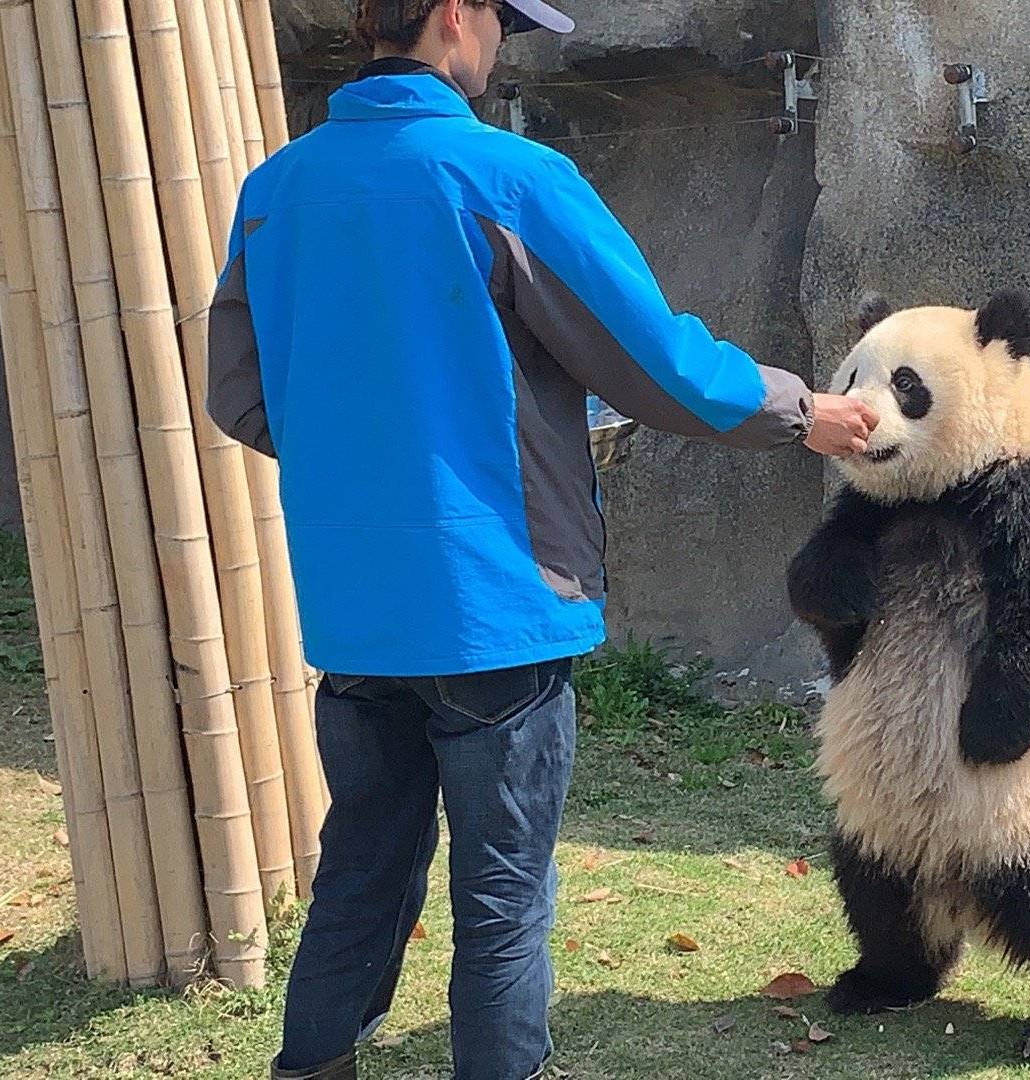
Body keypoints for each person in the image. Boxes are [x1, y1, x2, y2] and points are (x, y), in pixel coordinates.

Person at [203, 2, 877, 1077]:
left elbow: (241, 396)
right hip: (494, 610)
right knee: (504, 901)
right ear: (458, 15)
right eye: (502, 23)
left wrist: (378, 453)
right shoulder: (508, 178)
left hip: (355, 611)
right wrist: (803, 411)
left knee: (361, 873)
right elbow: (656, 362)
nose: (504, 45)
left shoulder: (276, 191)